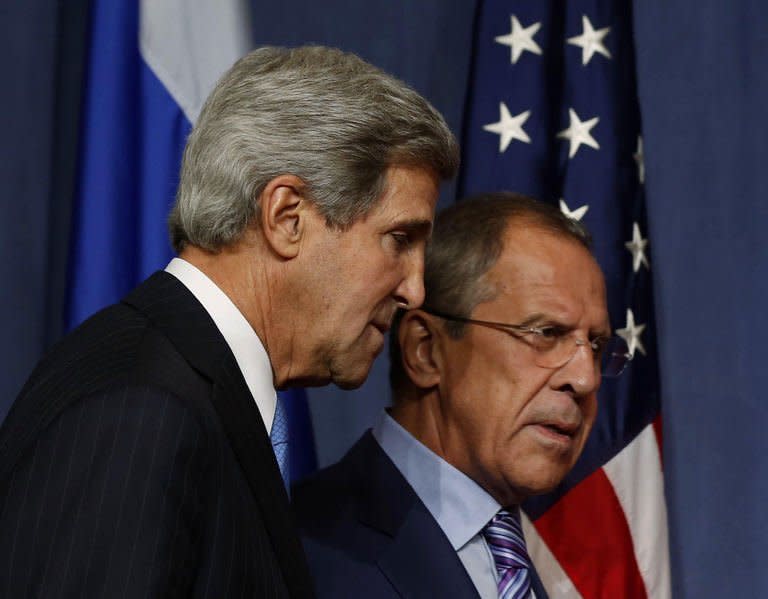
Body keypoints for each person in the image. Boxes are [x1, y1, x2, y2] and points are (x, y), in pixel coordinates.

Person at [0, 46, 458, 598]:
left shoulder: (182, 389)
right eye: (399, 239)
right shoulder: (144, 411)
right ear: (287, 217)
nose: (416, 289)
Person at [293, 193, 632, 599]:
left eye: (595, 346)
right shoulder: (293, 547)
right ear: (426, 351)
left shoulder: (533, 561)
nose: (586, 379)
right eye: (547, 334)